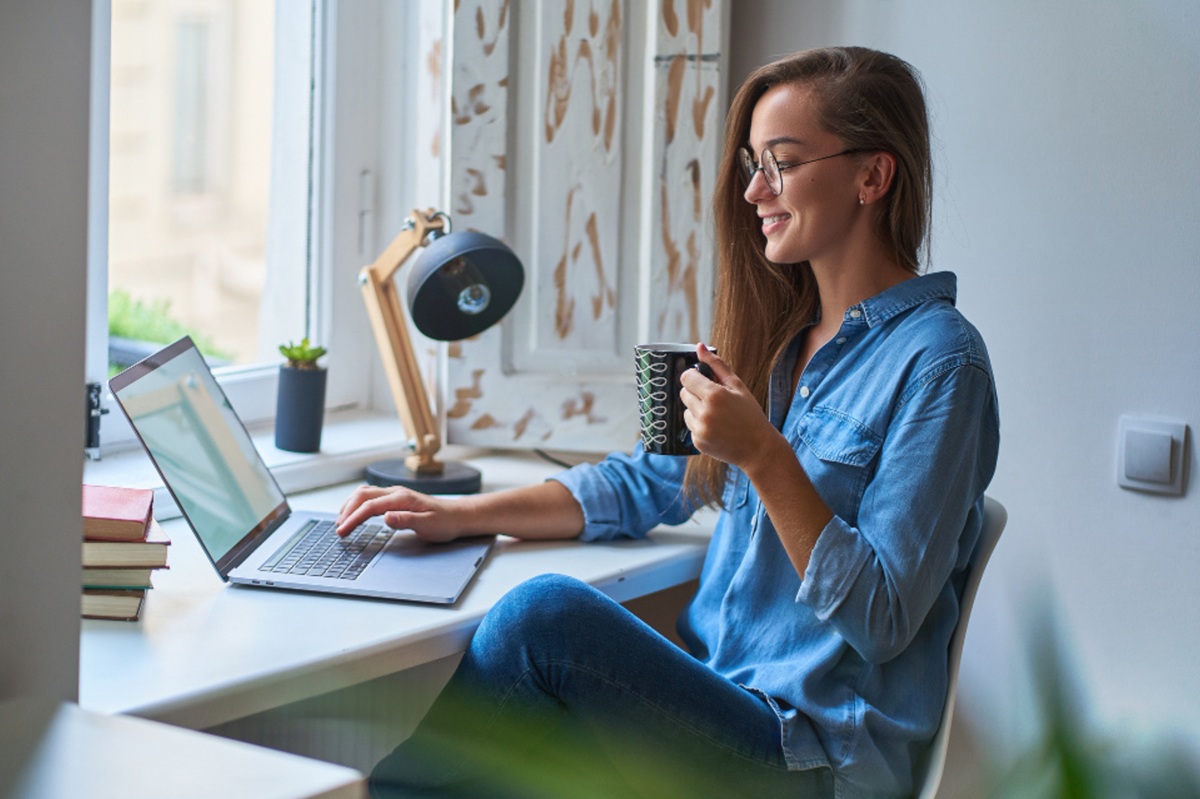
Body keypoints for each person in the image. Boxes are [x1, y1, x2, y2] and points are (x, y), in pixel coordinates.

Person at [336, 46, 999, 799]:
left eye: (780, 163)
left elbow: (881, 617)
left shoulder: (942, 364)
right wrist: (460, 514)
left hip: (809, 760)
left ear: (871, 176)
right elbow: (641, 482)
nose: (753, 189)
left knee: (543, 619)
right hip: (716, 712)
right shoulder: (782, 341)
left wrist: (764, 455)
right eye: (752, 162)